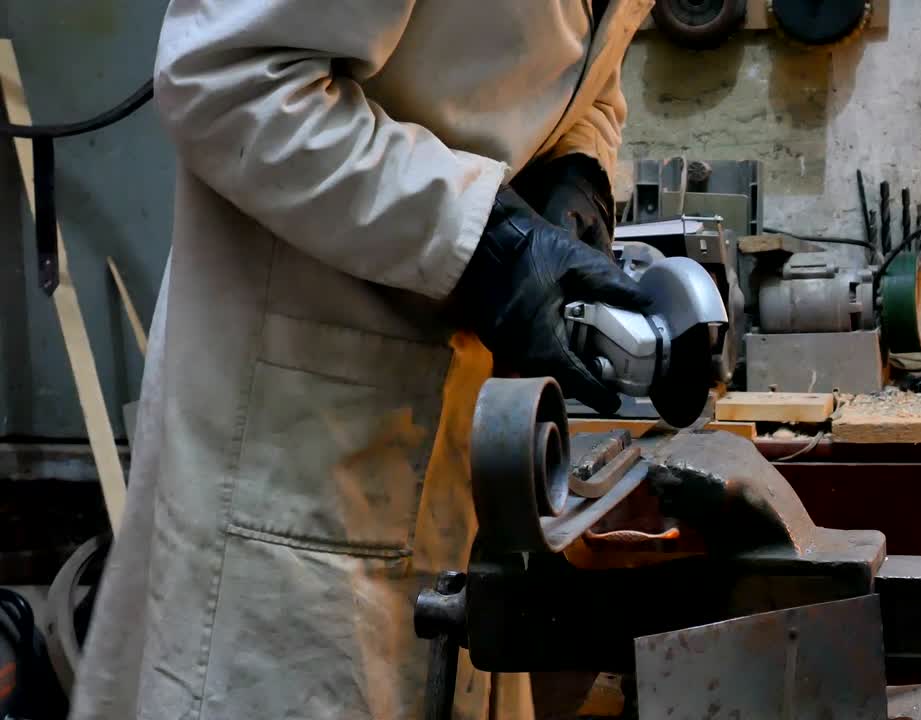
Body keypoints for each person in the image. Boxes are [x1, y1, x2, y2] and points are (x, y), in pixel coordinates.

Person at [70, 1, 656, 718]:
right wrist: (484, 242)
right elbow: (220, 76)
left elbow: (586, 74)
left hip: (463, 444)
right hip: (297, 442)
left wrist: (579, 168)